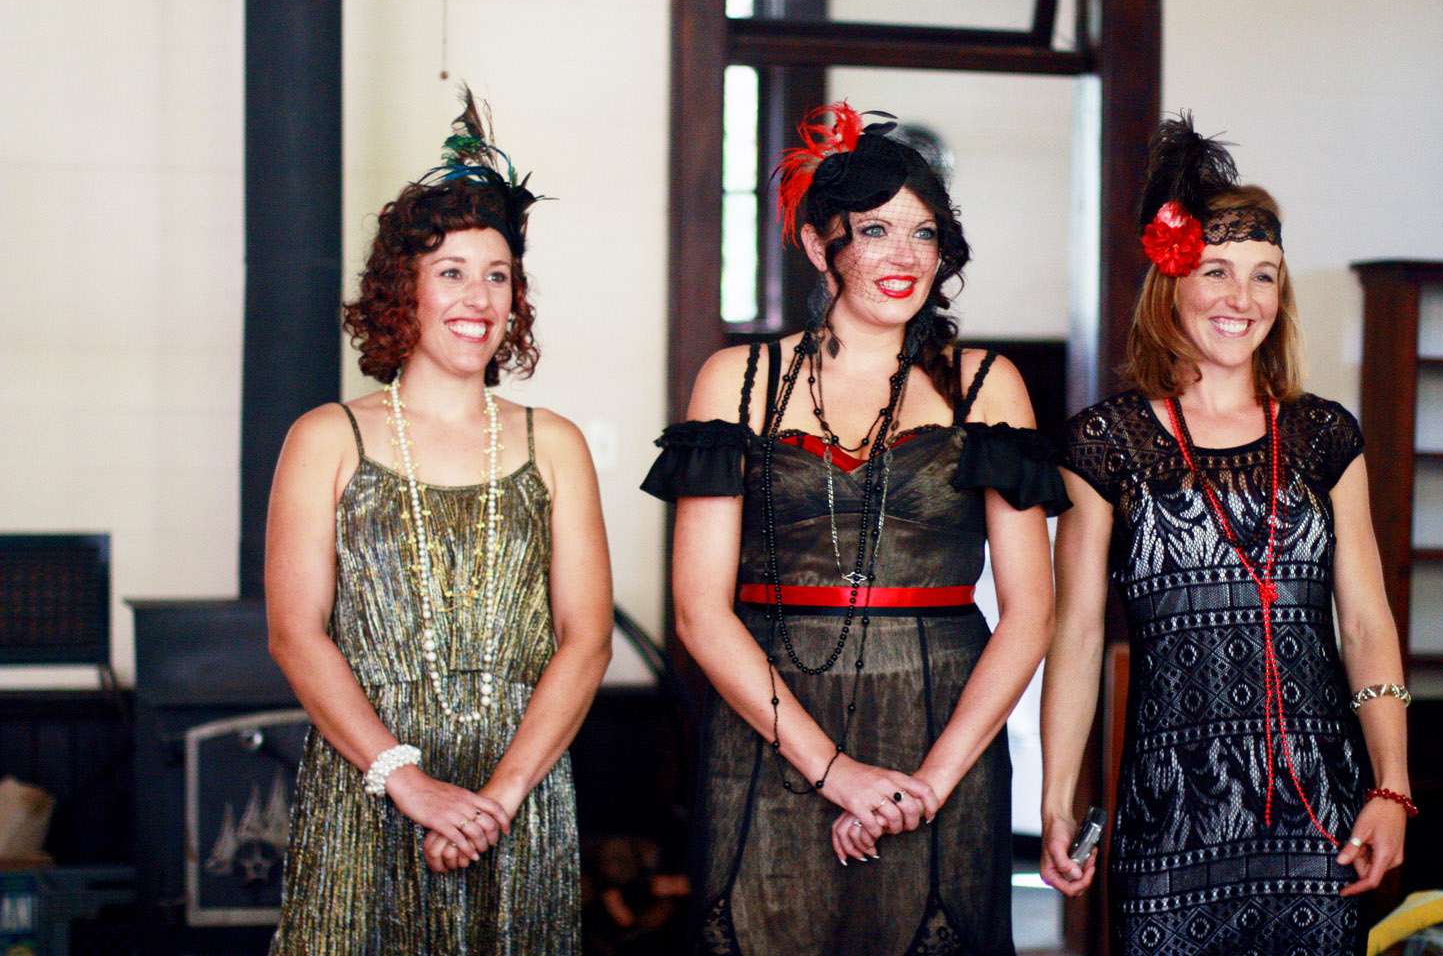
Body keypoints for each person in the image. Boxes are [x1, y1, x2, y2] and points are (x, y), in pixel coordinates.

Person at [642, 102, 1070, 955]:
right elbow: (698, 611)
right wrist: (834, 772)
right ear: (818, 244)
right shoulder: (737, 379)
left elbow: (1031, 612)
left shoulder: (988, 383)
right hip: (772, 725)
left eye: (923, 232)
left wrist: (930, 783)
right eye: (875, 230)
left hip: (940, 729)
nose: (903, 255)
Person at [1039, 115, 1413, 955]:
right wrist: (1058, 799)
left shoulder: (1325, 435)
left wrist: (1391, 786)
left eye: (1264, 277)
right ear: (1171, 284)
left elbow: (1365, 623)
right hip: (1169, 812)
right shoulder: (1105, 442)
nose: (1242, 300)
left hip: (1320, 808)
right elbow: (1077, 635)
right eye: (1217, 271)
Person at [266, 88, 612, 953]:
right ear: (404, 290)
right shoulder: (325, 438)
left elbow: (588, 640)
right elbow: (295, 634)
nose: (478, 296)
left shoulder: (555, 443)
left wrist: (497, 800)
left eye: (497, 275)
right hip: (369, 788)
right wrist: (410, 784)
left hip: (521, 796)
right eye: (452, 271)